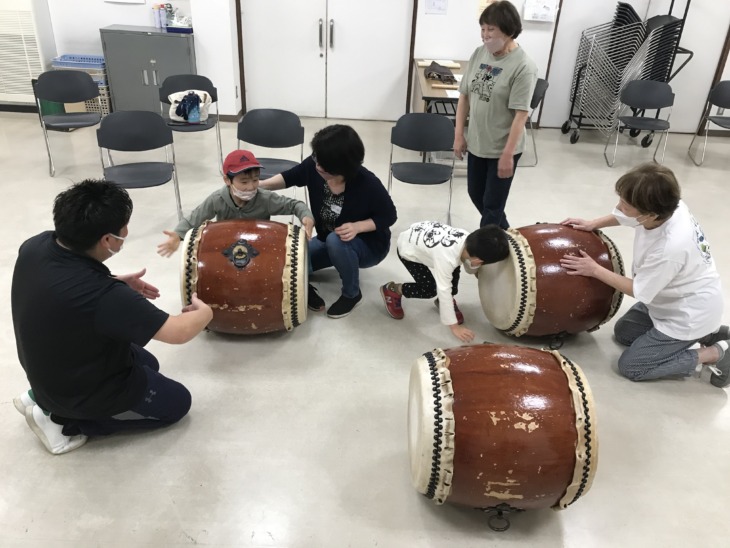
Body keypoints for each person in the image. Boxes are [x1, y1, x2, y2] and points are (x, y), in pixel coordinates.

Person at [11, 180, 214, 455]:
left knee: (147, 361)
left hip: (50, 370)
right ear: (107, 240)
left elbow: (62, 290)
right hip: (75, 393)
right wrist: (206, 313)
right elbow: (177, 332)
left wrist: (116, 280)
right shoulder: (105, 296)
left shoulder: (35, 246)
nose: (126, 233)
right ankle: (61, 419)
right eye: (123, 230)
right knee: (178, 403)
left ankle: (39, 397)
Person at [559, 163, 729, 387]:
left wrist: (594, 270)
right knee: (624, 333)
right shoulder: (669, 204)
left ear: (651, 215)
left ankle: (716, 352)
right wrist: (594, 223)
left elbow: (638, 290)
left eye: (626, 205)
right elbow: (627, 216)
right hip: (668, 300)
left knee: (633, 366)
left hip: (687, 315)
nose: (619, 207)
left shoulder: (671, 248)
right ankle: (712, 332)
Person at [260, 124, 397, 318]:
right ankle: (308, 290)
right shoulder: (316, 165)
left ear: (343, 167)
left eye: (325, 165)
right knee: (292, 262)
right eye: (316, 158)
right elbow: (288, 177)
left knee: (336, 240)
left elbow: (389, 215)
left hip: (369, 246)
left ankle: (352, 294)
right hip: (327, 239)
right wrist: (259, 187)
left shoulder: (367, 183)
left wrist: (358, 227)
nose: (317, 167)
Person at [453, 0, 537, 229]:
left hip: (503, 146)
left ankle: (486, 256)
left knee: (492, 205)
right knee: (476, 194)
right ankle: (508, 236)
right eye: (483, 29)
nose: (485, 35)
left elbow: (521, 114)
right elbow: (465, 96)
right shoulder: (480, 54)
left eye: (491, 29)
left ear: (509, 30)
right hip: (479, 141)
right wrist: (458, 134)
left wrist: (508, 154)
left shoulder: (523, 66)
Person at [158, 149, 315, 257]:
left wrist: (306, 216)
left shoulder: (265, 198)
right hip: (227, 248)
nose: (251, 186)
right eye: (244, 181)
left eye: (255, 180)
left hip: (259, 247)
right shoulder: (217, 199)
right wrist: (177, 236)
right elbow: (193, 219)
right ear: (227, 180)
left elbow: (294, 205)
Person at [380, 222, 509, 342]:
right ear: (478, 261)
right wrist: (454, 327)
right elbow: (444, 289)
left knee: (453, 279)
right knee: (429, 289)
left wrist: (474, 267)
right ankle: (393, 290)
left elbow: (468, 266)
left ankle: (442, 302)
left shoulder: (468, 239)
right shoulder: (446, 259)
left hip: (421, 235)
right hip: (408, 249)